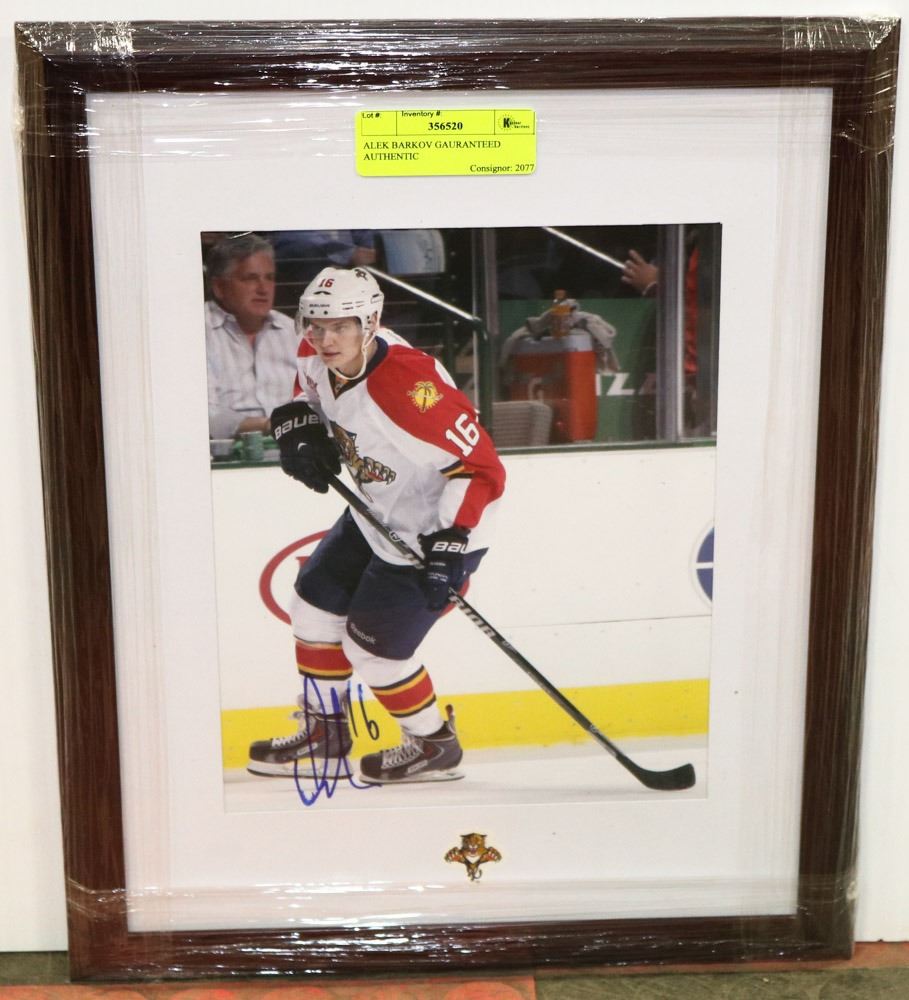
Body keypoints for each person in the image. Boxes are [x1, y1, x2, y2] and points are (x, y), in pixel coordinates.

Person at [248, 266, 506, 784]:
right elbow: (307, 396)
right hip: (374, 514)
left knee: (375, 656)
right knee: (314, 610)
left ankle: (435, 744)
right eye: (316, 325)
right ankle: (325, 734)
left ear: (370, 323)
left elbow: (481, 469)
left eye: (340, 327)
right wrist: (298, 427)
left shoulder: (409, 388)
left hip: (433, 533)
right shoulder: (315, 353)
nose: (325, 339)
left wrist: (451, 541)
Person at [205, 234, 299, 439]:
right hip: (225, 449)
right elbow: (201, 414)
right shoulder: (197, 332)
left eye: (269, 278)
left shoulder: (292, 331)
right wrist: (270, 425)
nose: (263, 289)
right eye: (250, 278)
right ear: (219, 287)